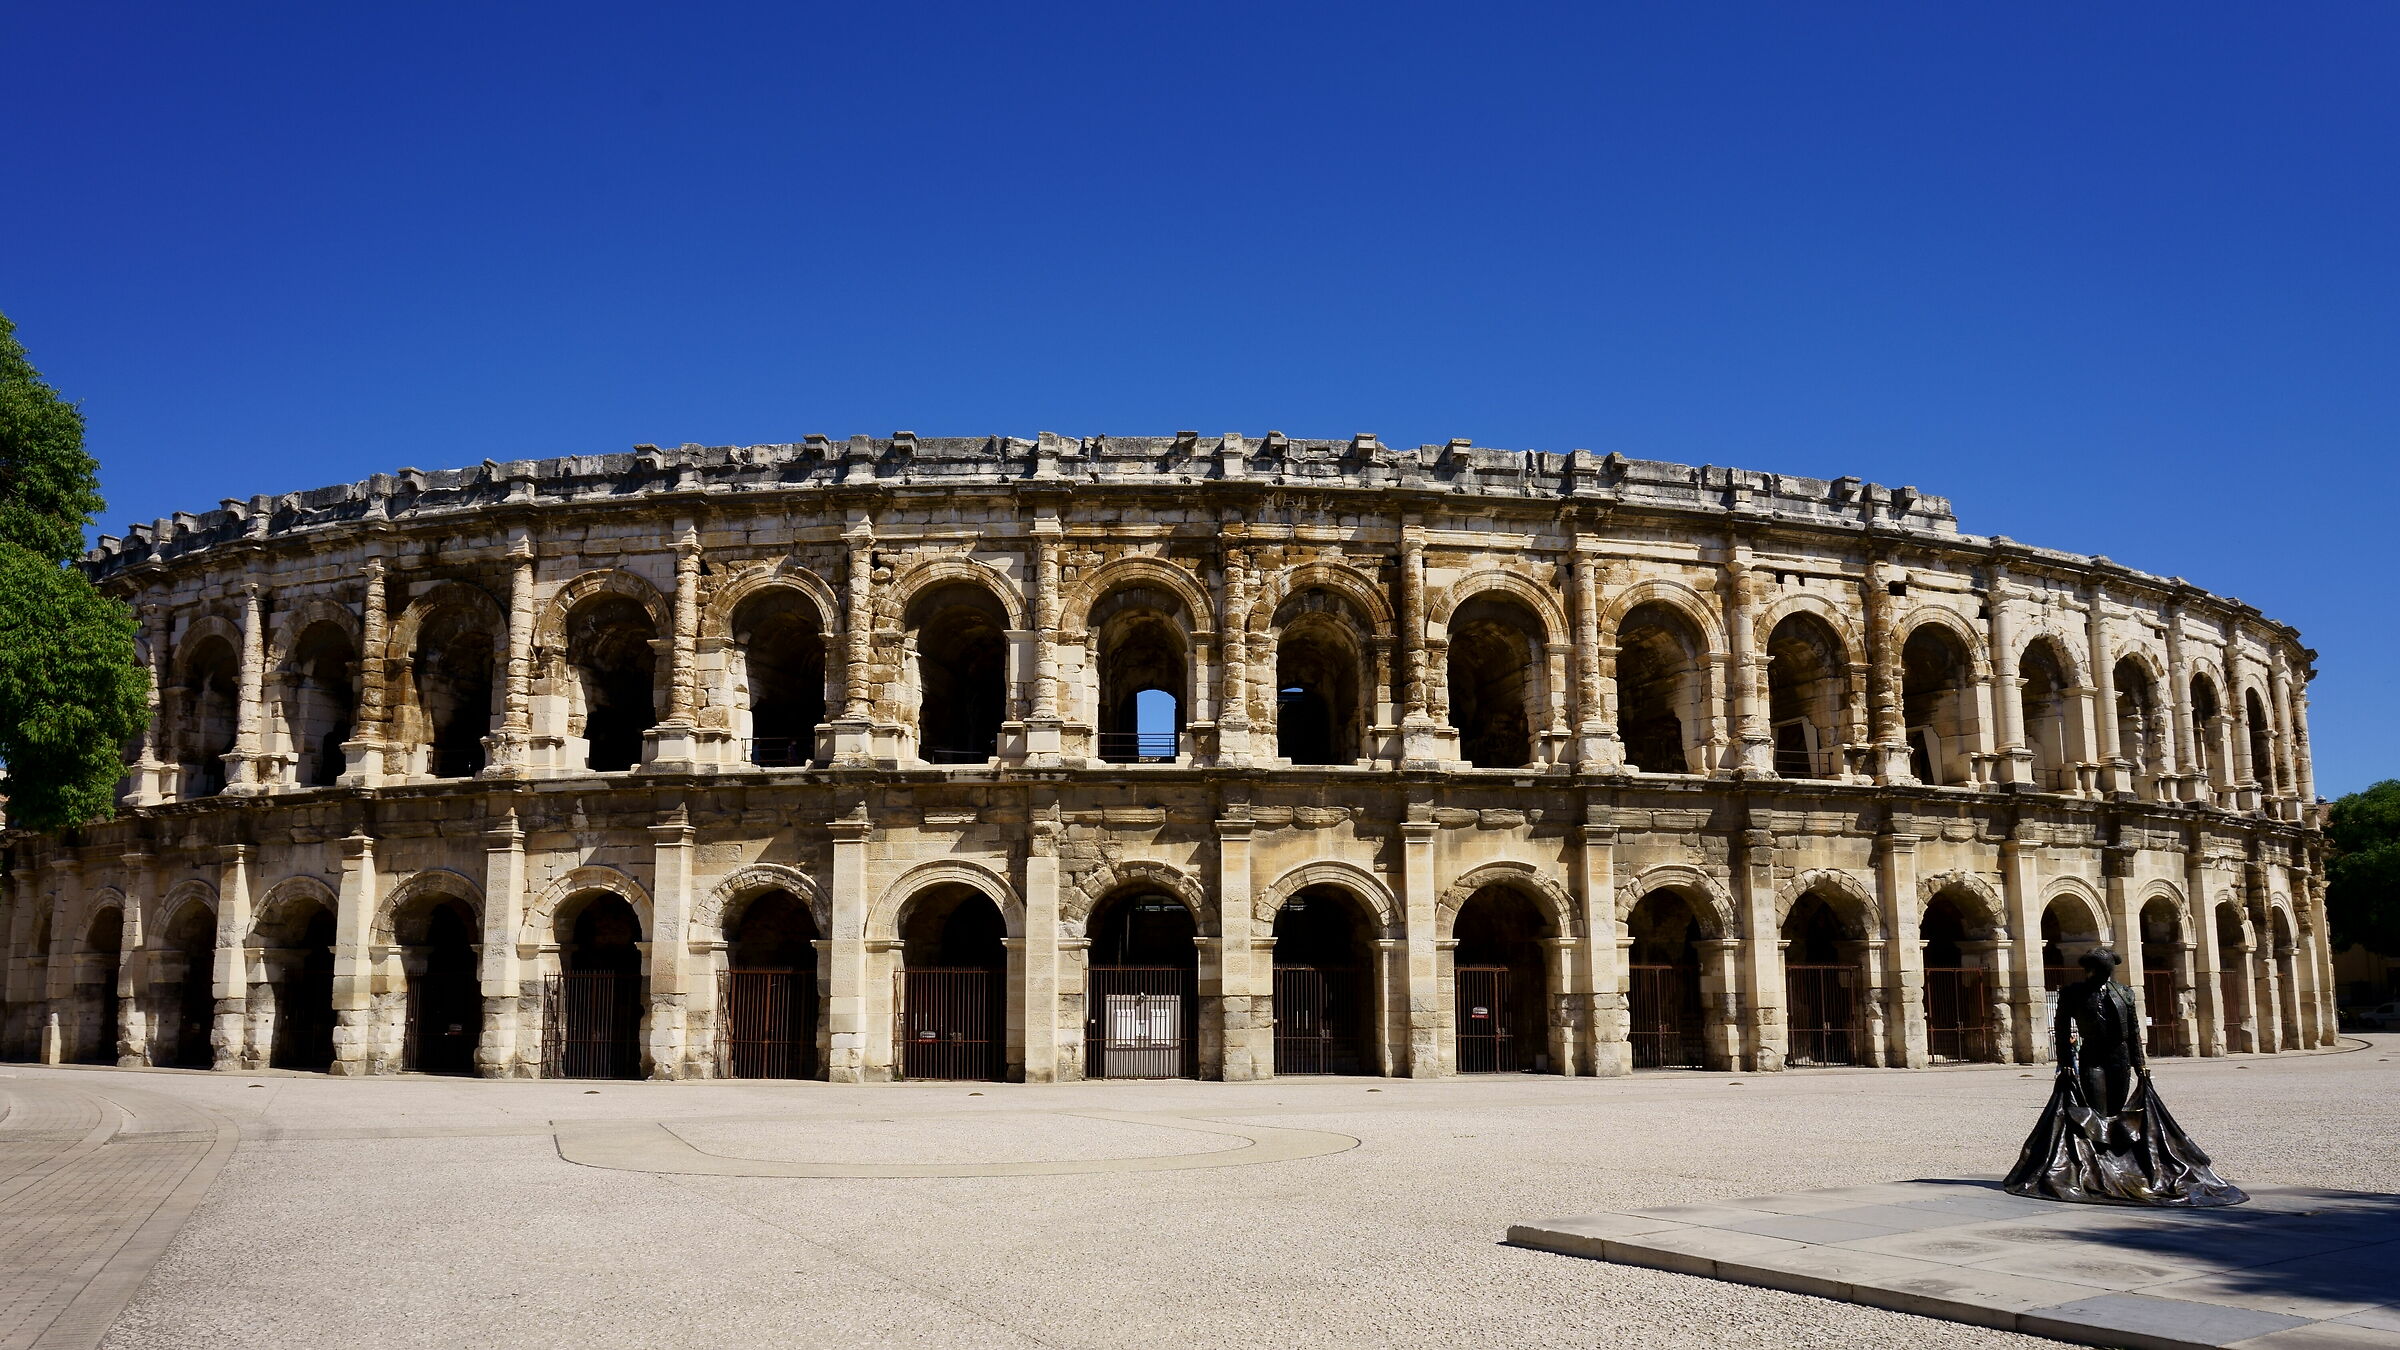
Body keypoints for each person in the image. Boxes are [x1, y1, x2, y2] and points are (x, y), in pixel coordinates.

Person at [2003, 947, 2246, 1207]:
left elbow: (2132, 1030)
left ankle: (2117, 1159)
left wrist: (2140, 1064)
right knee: (2096, 1106)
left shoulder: (2124, 992)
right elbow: (2062, 1029)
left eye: (2109, 969)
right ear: (2092, 969)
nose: (2107, 973)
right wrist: (2065, 1062)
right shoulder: (2073, 992)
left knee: (2119, 1107)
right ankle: (2097, 1162)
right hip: (2092, 1053)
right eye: (2102, 968)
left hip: (2119, 1055)